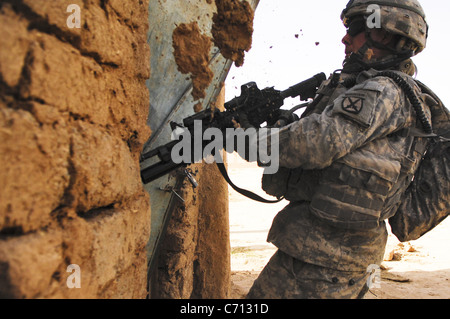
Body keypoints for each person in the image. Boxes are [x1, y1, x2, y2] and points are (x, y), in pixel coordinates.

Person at [244, 0, 437, 299]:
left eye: (355, 29)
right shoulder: (381, 89)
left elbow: (316, 143)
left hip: (324, 259)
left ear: (383, 36)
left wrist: (240, 138)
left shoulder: (383, 91)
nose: (345, 39)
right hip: (333, 255)